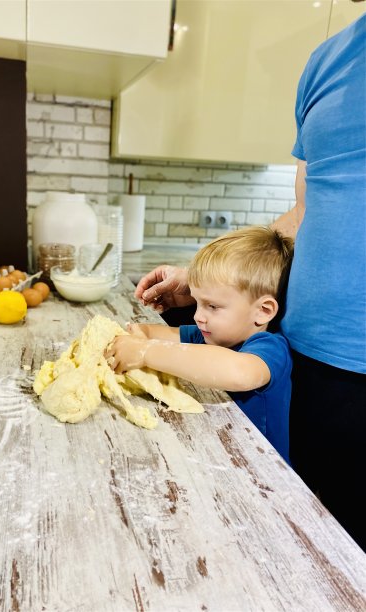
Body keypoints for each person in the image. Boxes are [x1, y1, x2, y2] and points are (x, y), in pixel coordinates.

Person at [133, 9, 366, 551]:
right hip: (314, 365)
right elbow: (309, 209)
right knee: (309, 549)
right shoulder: (328, 61)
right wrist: (212, 282)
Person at [106, 227, 294, 462]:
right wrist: (138, 335)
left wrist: (145, 351)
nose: (197, 316)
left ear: (263, 311)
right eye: (197, 303)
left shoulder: (269, 349)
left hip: (263, 478)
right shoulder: (211, 334)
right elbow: (154, 332)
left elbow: (238, 372)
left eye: (212, 306)